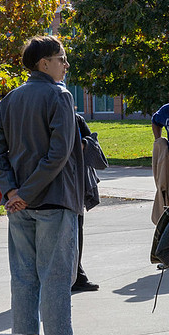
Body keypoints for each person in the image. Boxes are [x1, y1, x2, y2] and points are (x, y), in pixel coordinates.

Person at [0, 35, 90, 335]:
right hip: (52, 200)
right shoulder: (60, 95)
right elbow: (59, 153)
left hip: (19, 204)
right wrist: (26, 192)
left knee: (23, 279)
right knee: (56, 278)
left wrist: (13, 191)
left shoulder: (11, 98)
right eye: (61, 59)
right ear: (43, 63)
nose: (66, 65)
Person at [71, 113, 103, 293]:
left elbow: (93, 145)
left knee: (76, 228)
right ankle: (73, 275)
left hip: (74, 184)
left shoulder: (76, 119)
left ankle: (77, 274)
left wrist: (83, 144)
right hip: (59, 186)